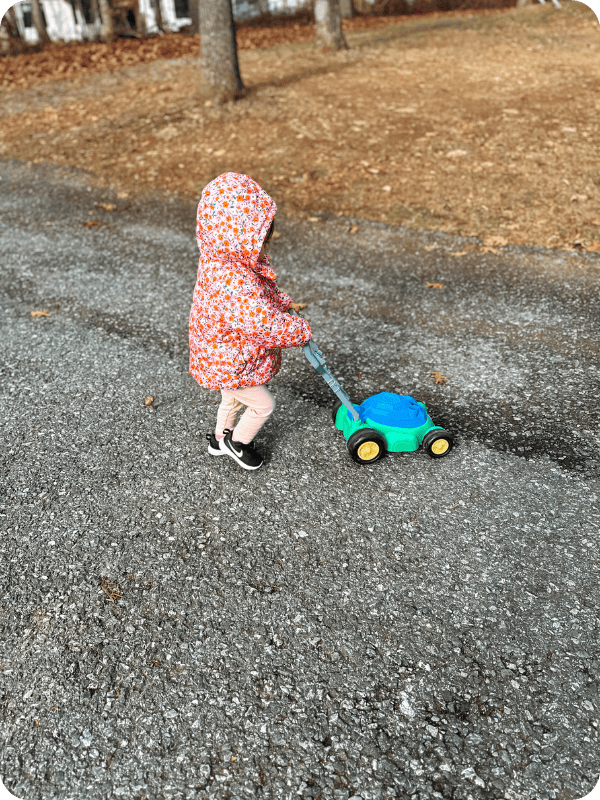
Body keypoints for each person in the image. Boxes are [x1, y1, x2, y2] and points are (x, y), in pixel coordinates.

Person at [189, 172, 312, 471]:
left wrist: (281, 303)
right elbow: (261, 324)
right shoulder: (234, 279)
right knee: (262, 405)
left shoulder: (221, 258)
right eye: (260, 239)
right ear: (240, 235)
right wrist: (299, 331)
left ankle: (219, 439)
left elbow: (257, 300)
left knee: (231, 399)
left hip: (219, 353)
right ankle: (239, 443)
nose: (263, 247)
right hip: (230, 359)